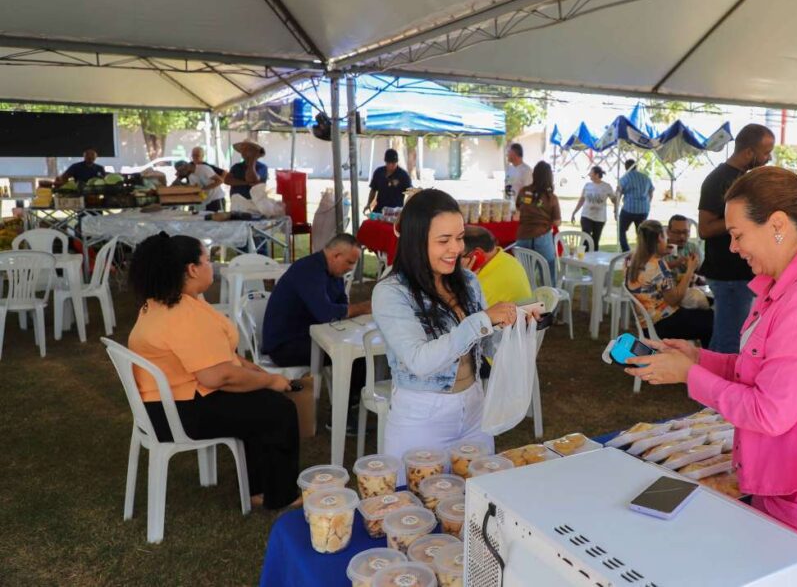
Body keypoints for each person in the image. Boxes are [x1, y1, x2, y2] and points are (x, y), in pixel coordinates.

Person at [626, 164, 797, 587]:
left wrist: (689, 375)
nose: (732, 247)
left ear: (778, 225)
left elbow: (769, 411)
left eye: (738, 234)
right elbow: (760, 370)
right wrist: (698, 357)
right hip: (794, 491)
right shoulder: (783, 285)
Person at [127, 233, 299, 510]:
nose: (213, 266)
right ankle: (281, 495)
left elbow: (218, 358)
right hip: (175, 413)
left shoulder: (163, 301)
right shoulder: (181, 313)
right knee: (278, 410)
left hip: (164, 404)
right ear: (192, 269)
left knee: (258, 402)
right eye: (208, 260)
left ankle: (260, 489)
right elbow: (217, 377)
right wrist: (270, 380)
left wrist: (249, 369)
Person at [372, 189, 530, 476]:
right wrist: (481, 320)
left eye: (459, 238)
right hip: (421, 419)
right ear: (416, 242)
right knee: (420, 505)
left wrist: (515, 326)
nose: (456, 249)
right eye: (443, 240)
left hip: (474, 409)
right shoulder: (391, 292)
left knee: (476, 501)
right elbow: (420, 361)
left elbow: (485, 347)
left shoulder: (467, 281)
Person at [698, 123, 775, 353]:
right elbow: (705, 229)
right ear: (749, 152)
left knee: (725, 336)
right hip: (727, 274)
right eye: (765, 152)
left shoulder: (745, 179)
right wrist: (742, 221)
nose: (768, 158)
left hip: (742, 273)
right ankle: (715, 388)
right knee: (730, 343)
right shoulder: (718, 180)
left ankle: (702, 386)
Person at [262, 234, 371, 367]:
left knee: (358, 350)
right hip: (285, 345)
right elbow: (326, 313)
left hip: (309, 334)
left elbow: (341, 305)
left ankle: (352, 387)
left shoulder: (334, 271)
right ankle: (353, 388)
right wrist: (363, 307)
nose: (352, 268)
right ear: (336, 255)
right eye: (350, 262)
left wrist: (348, 311)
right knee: (354, 356)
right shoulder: (308, 270)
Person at [625, 220, 711, 345]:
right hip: (663, 324)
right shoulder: (658, 265)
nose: (667, 241)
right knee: (712, 320)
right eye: (665, 237)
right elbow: (674, 299)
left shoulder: (631, 259)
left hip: (646, 323)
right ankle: (706, 360)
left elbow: (652, 282)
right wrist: (690, 270)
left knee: (704, 316)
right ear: (660, 237)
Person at [463, 226, 532, 306]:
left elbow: (461, 315)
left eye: (458, 256)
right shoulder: (503, 257)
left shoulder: (486, 284)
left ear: (477, 254)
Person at [515, 161, 561, 282]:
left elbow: (518, 207)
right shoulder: (551, 197)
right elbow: (557, 222)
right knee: (548, 275)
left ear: (534, 174)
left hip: (522, 237)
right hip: (543, 238)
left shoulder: (524, 191)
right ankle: (549, 299)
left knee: (523, 276)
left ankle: (525, 298)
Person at [571, 166, 617, 246]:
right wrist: (574, 212)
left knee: (595, 240)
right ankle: (584, 256)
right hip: (586, 215)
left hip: (600, 218)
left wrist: (615, 210)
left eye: (591, 173)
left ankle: (593, 256)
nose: (589, 174)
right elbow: (582, 200)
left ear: (596, 174)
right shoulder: (587, 185)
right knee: (586, 238)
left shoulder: (606, 186)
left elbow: (614, 200)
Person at [616, 159, 655, 252]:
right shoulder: (645, 177)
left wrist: (615, 208)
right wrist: (648, 203)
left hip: (629, 208)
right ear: (636, 166)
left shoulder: (625, 178)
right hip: (643, 209)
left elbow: (618, 193)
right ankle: (642, 251)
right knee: (641, 232)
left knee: (621, 231)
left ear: (626, 167)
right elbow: (651, 191)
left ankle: (626, 251)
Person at [366, 148, 413, 213]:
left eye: (393, 163)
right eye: (388, 163)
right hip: (380, 209)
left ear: (397, 162)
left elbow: (410, 192)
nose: (391, 165)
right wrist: (368, 204)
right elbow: (373, 190)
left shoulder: (403, 175)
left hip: (395, 212)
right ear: (385, 161)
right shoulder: (379, 172)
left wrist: (407, 209)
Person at [190, 146, 227, 212]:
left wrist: (220, 180)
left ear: (202, 156)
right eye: (193, 155)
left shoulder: (207, 166)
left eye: (197, 156)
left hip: (215, 198)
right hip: (200, 199)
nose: (195, 158)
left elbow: (224, 173)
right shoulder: (190, 166)